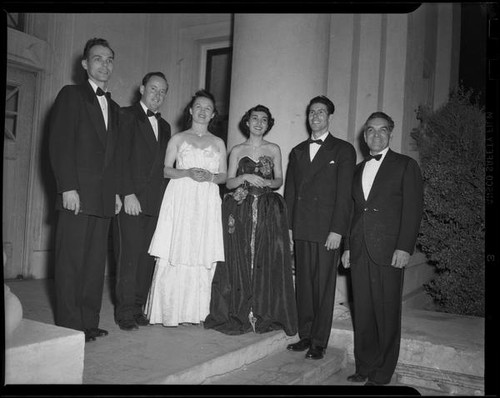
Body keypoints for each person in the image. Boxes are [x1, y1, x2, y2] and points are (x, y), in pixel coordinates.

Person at [342, 112, 423, 386]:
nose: (376, 135)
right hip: (360, 248)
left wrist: (404, 248)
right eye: (371, 131)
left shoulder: (405, 165)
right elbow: (353, 211)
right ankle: (364, 366)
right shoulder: (356, 169)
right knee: (362, 309)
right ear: (364, 137)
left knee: (386, 311)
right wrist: (348, 247)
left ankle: (383, 372)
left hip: (390, 251)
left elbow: (413, 210)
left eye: (382, 130)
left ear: (390, 133)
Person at [49, 38, 122, 342]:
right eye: (97, 59)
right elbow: (60, 143)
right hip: (77, 194)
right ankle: (69, 325)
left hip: (104, 198)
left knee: (94, 265)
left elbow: (114, 157)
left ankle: (89, 322)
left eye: (109, 60)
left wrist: (117, 193)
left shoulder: (115, 107)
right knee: (70, 263)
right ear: (85, 64)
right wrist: (67, 187)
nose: (104, 65)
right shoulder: (71, 95)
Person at [204, 105, 298, 336]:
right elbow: (228, 183)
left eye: (264, 120)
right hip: (242, 208)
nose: (258, 123)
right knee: (241, 258)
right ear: (247, 122)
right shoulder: (237, 149)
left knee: (265, 258)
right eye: (254, 118)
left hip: (267, 209)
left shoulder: (273, 148)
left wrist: (265, 183)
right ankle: (240, 310)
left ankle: (263, 311)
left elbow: (278, 181)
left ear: (268, 124)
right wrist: (245, 177)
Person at [145, 89, 227, 326]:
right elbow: (164, 169)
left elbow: (223, 176)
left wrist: (210, 177)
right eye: (198, 107)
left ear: (213, 115)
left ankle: (198, 312)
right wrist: (187, 173)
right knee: (177, 248)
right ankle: (170, 312)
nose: (202, 112)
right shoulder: (178, 138)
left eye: (208, 108)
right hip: (181, 196)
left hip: (206, 200)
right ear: (191, 111)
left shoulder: (219, 142)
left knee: (200, 250)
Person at [284, 95, 356, 360]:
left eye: (321, 112)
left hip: (327, 231)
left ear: (330, 117)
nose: (315, 116)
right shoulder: (298, 150)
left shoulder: (343, 149)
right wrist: (289, 228)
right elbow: (290, 192)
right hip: (302, 227)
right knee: (303, 284)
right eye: (312, 112)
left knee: (323, 287)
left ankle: (319, 341)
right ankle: (305, 335)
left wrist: (338, 230)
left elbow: (345, 194)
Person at [114, 72, 171, 331]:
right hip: (132, 199)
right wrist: (126, 193)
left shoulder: (166, 126)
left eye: (162, 91)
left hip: (156, 202)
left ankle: (137, 306)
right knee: (129, 257)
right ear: (141, 89)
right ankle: (124, 311)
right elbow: (119, 157)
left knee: (147, 258)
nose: (157, 95)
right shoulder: (125, 116)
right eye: (153, 89)